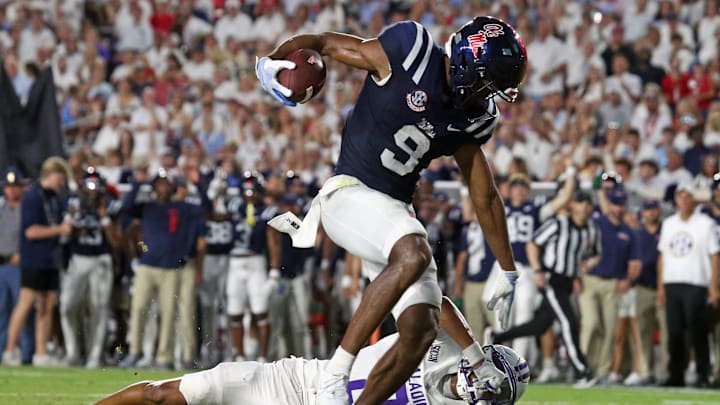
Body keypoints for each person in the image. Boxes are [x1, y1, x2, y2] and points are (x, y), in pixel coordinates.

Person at [259, 16, 524, 404]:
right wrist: (273, 61)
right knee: (414, 252)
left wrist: (507, 268)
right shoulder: (410, 51)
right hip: (348, 196)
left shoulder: (471, 117)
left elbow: (483, 195)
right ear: (469, 63)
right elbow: (325, 42)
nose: (490, 95)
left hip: (390, 216)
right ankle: (334, 377)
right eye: (489, 83)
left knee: (421, 325)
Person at [96, 297, 530, 405]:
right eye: (494, 385)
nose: (487, 393)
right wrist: (473, 353)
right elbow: (433, 303)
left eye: (498, 398)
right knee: (169, 396)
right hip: (300, 382)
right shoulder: (451, 348)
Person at [489, 191, 601, 388]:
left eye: (587, 204)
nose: (583, 207)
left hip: (567, 281)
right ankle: (582, 371)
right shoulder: (558, 223)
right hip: (552, 278)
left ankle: (497, 336)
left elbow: (595, 254)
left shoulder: (591, 230)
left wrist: (584, 268)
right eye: (580, 203)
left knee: (540, 325)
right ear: (573, 205)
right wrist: (539, 270)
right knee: (569, 322)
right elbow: (533, 243)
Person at [119, 168, 205, 370]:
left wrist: (198, 184)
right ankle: (134, 351)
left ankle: (164, 357)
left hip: (171, 268)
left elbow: (205, 208)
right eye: (158, 184)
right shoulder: (147, 207)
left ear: (173, 187)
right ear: (154, 187)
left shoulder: (183, 208)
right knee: (138, 309)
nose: (162, 188)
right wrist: (138, 183)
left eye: (166, 184)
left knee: (168, 314)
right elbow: (125, 208)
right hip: (147, 265)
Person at [1, 157, 73, 366]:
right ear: (51, 174)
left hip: (51, 258)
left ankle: (40, 354)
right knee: (24, 305)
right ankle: (9, 350)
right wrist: (59, 229)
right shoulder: (32, 196)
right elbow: (31, 231)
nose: (62, 182)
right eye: (60, 177)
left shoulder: (53, 198)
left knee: (47, 305)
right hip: (33, 258)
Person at [657, 184, 720, 387]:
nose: (684, 201)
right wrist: (661, 286)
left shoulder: (705, 223)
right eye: (680, 197)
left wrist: (713, 285)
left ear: (693, 200)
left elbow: (714, 256)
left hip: (697, 282)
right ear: (676, 200)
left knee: (697, 331)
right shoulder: (668, 224)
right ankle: (676, 374)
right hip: (672, 282)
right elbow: (663, 256)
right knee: (674, 331)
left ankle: (703, 374)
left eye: (687, 197)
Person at [60, 167, 121, 368]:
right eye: (89, 183)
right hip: (78, 259)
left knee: (99, 307)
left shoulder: (109, 203)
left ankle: (95, 355)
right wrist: (70, 218)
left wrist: (104, 217)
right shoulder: (73, 202)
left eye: (95, 183)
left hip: (101, 259)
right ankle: (72, 352)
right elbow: (64, 237)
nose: (92, 188)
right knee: (67, 305)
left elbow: (115, 241)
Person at [580, 187, 641, 384]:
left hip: (614, 283)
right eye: (615, 203)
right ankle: (581, 366)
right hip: (590, 280)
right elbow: (580, 247)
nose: (618, 208)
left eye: (621, 204)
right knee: (590, 324)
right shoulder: (595, 224)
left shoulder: (628, 232)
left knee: (609, 329)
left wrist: (628, 280)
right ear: (609, 205)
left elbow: (633, 262)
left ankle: (602, 371)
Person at [225, 173, 280, 363]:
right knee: (235, 310)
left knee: (260, 310)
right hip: (234, 262)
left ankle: (262, 357)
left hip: (255, 262)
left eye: (253, 191)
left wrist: (274, 271)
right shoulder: (233, 207)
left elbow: (273, 242)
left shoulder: (267, 212)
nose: (249, 195)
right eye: (246, 190)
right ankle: (239, 356)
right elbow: (213, 215)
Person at [629, 199, 666, 386]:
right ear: (642, 213)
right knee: (643, 332)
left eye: (653, 209)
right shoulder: (637, 234)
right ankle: (646, 371)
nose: (650, 213)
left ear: (658, 211)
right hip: (642, 287)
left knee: (667, 332)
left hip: (664, 288)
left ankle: (666, 373)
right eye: (647, 210)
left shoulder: (666, 230)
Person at [0, 167, 34, 365]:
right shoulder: (1, 208)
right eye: (9, 187)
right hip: (1, 265)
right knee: (1, 311)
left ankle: (26, 353)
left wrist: (24, 253)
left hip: (19, 265)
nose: (12, 191)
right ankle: (4, 352)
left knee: (22, 311)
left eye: (16, 187)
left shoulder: (27, 209)